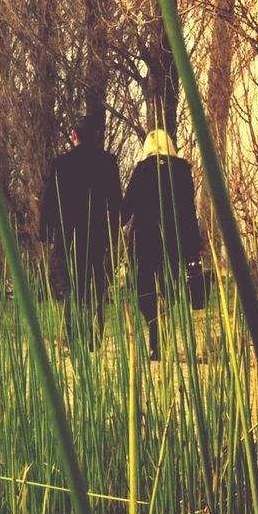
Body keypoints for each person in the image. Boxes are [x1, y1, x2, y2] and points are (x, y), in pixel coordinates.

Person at [40, 111, 122, 343]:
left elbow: (49, 201)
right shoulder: (108, 163)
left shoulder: (61, 164)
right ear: (96, 135)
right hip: (95, 234)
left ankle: (72, 335)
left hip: (66, 234)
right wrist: (114, 236)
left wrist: (44, 232)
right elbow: (116, 203)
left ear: (74, 135)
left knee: (70, 290)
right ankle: (94, 336)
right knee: (92, 286)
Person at [121, 129, 202, 361]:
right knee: (168, 290)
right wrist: (193, 248)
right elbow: (188, 210)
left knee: (144, 292)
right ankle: (160, 338)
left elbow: (127, 209)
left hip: (144, 241)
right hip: (173, 240)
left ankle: (156, 334)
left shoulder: (142, 170)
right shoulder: (182, 171)